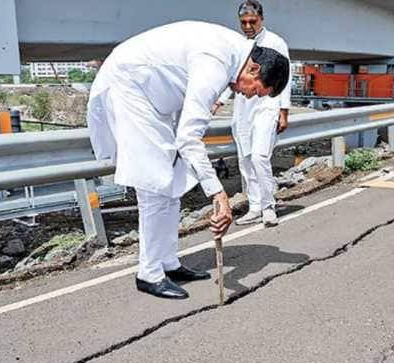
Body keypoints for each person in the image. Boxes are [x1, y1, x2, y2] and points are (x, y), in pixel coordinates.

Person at [86, 21, 290, 299]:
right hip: (130, 87)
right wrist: (219, 194)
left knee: (172, 182)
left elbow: (194, 123)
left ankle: (168, 263)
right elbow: (189, 138)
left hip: (158, 97)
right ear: (254, 69)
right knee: (154, 185)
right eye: (256, 90)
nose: (249, 96)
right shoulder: (216, 64)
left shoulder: (234, 57)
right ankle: (149, 273)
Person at [212, 1, 291, 227]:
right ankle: (254, 206)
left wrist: (284, 112)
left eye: (252, 22)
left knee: (259, 157)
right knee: (245, 160)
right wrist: (219, 101)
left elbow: (284, 80)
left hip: (267, 104)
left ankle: (268, 207)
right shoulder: (238, 45)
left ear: (261, 19)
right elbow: (231, 77)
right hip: (243, 107)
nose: (248, 26)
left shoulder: (276, 43)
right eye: (243, 22)